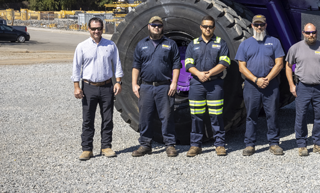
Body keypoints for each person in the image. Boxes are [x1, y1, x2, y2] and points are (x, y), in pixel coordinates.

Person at [72, 17, 123, 161]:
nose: (96, 31)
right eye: (93, 29)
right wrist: (76, 87)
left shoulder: (110, 45)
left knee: (107, 119)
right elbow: (76, 68)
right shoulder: (82, 47)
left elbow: (117, 65)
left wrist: (118, 82)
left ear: (103, 29)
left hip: (107, 87)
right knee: (88, 119)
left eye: (99, 28)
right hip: (89, 87)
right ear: (88, 29)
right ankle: (87, 149)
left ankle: (106, 146)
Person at [235, 14, 285, 156]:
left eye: (261, 24)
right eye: (256, 24)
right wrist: (256, 80)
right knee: (251, 115)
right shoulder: (245, 44)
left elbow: (279, 63)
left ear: (265, 26)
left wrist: (267, 78)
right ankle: (250, 144)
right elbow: (241, 67)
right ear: (252, 26)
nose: (259, 27)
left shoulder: (274, 42)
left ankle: (274, 143)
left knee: (272, 114)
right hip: (252, 86)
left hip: (271, 84)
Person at [131, 16, 181, 157]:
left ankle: (170, 145)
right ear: (148, 26)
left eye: (159, 25)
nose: (156, 28)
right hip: (146, 87)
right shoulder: (141, 44)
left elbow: (177, 65)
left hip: (164, 87)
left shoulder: (170, 44)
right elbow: (136, 66)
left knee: (167, 116)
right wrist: (134, 84)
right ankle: (145, 145)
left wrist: (174, 82)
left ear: (162, 27)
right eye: (154, 25)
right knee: (145, 116)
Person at [184, 15, 231, 157]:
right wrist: (199, 74)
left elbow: (225, 62)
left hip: (215, 84)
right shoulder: (193, 44)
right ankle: (195, 145)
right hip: (197, 84)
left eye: (210, 26)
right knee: (196, 115)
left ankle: (220, 145)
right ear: (201, 27)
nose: (208, 29)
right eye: (205, 26)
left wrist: (208, 74)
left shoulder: (221, 43)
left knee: (216, 115)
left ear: (214, 28)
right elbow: (188, 64)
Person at [285, 22, 320, 156]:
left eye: (313, 32)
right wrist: (291, 84)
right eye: (308, 32)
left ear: (316, 32)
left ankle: (318, 143)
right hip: (303, 87)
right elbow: (288, 66)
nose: (311, 35)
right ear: (303, 33)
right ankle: (302, 145)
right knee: (301, 116)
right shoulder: (295, 48)